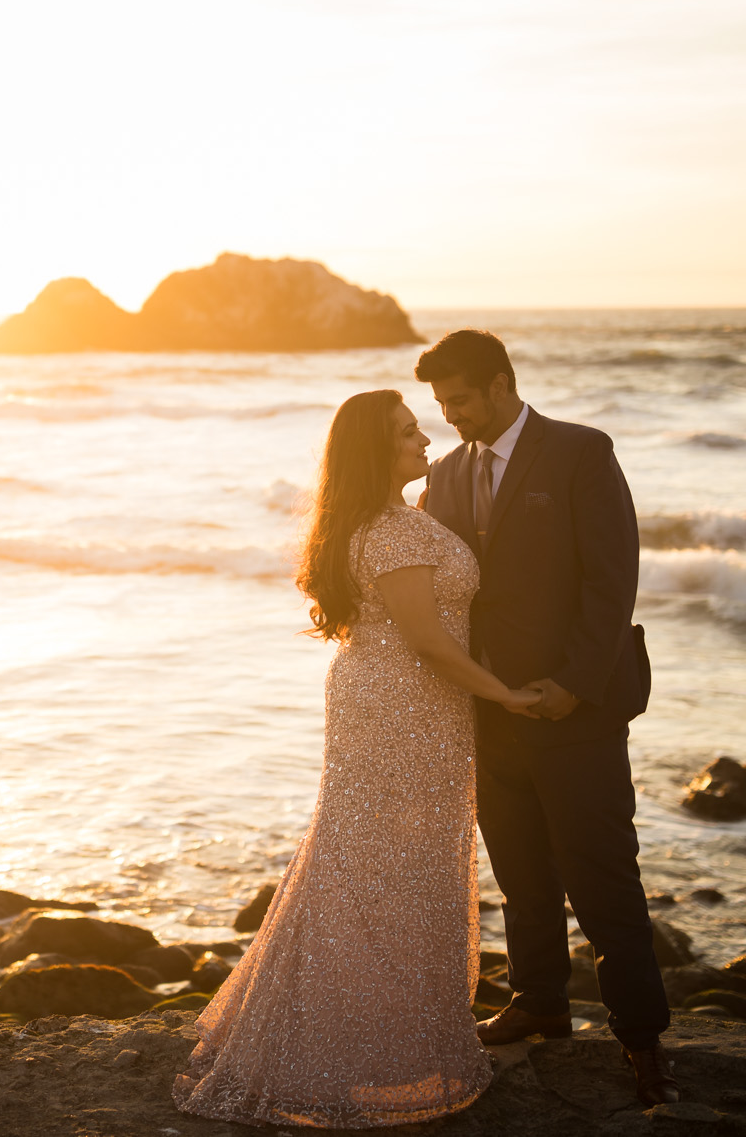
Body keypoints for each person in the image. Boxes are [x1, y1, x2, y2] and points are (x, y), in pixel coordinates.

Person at [174, 390, 543, 1128]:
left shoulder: (389, 522)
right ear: (377, 451)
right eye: (408, 432)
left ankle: (376, 1044)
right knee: (384, 869)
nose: (424, 439)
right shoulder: (394, 532)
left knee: (380, 864)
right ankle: (351, 1054)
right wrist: (506, 694)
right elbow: (429, 641)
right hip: (400, 708)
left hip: (406, 703)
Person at [413, 329, 676, 1108]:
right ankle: (540, 1000)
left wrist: (574, 682)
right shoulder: (445, 475)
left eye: (459, 398)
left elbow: (611, 578)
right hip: (490, 713)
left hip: (577, 712)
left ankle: (642, 1034)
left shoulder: (581, 452)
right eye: (441, 403)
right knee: (521, 872)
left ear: (499, 384)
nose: (450, 415)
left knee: (602, 877)